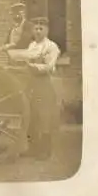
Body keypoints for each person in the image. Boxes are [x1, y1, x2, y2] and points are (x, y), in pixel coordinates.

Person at [20, 17, 61, 161]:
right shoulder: (32, 45)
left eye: (41, 28)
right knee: (31, 117)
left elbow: (49, 67)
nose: (37, 31)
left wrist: (32, 66)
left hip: (44, 83)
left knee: (44, 118)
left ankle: (45, 151)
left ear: (47, 30)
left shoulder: (51, 47)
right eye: (35, 28)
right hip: (31, 83)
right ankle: (32, 149)